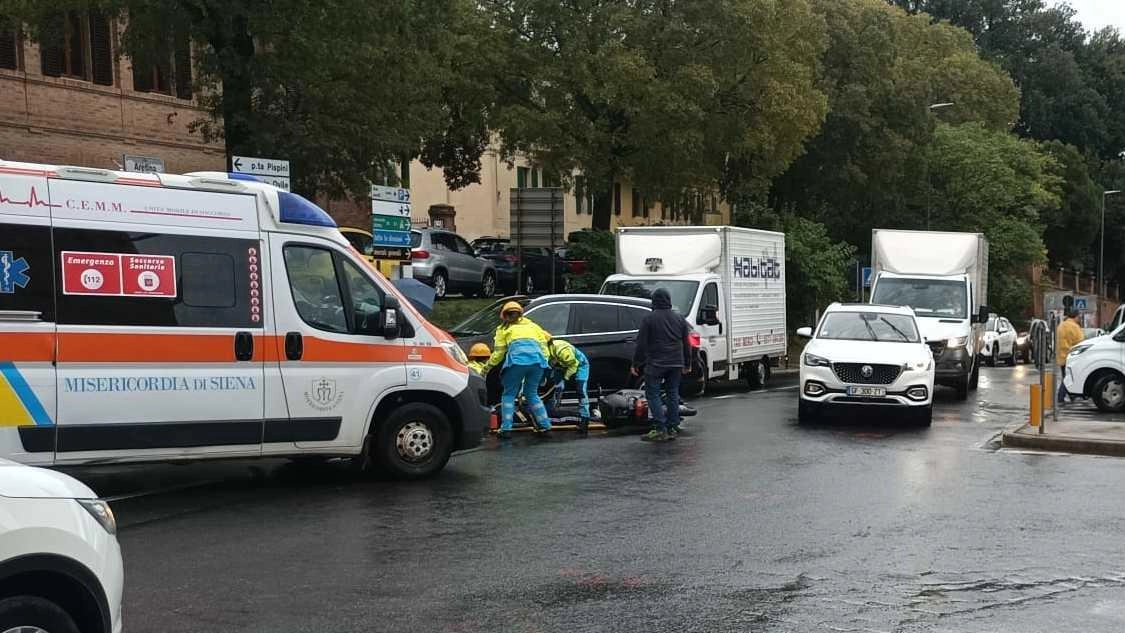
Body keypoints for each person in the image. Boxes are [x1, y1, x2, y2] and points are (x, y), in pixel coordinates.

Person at [481, 301, 553, 439]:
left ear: (504, 316)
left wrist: (487, 368)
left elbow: (498, 354)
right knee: (532, 394)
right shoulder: (534, 326)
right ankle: (545, 426)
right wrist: (544, 364)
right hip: (537, 362)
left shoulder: (504, 329)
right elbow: (544, 349)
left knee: (508, 394)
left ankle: (506, 429)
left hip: (517, 363)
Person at [632, 288, 692, 442]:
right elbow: (687, 343)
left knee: (653, 394)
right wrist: (688, 363)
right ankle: (673, 426)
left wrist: (636, 363)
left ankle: (660, 428)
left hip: (656, 363)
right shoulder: (680, 318)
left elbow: (641, 344)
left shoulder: (649, 319)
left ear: (654, 301)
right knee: (673, 393)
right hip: (676, 363)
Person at [546, 338, 591, 437]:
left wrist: (565, 379)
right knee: (554, 387)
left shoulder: (562, 350)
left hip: (580, 365)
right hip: (563, 365)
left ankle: (585, 418)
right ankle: (552, 411)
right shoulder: (547, 349)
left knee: (580, 391)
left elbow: (574, 365)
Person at [1056, 308, 1085, 403]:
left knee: (1067, 376)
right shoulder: (1075, 327)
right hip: (1072, 356)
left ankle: (1071, 396)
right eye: (1079, 317)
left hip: (1061, 356)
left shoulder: (1061, 325)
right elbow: (1081, 342)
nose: (1079, 319)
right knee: (1068, 378)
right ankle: (1060, 397)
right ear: (1076, 316)